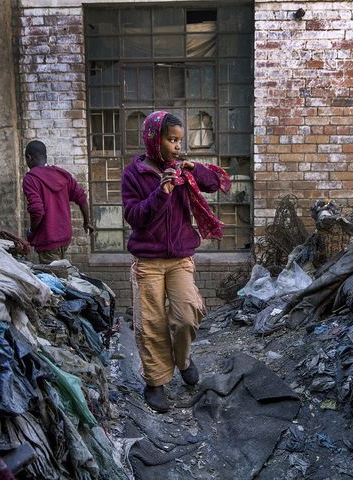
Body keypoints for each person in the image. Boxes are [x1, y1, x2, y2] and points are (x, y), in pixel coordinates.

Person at [121, 111, 230, 412]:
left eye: (180, 140)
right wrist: (161, 193)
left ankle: (182, 359)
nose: (177, 146)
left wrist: (194, 167)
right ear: (154, 139)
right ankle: (155, 381)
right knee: (151, 323)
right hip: (149, 261)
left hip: (181, 257)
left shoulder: (182, 169)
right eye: (171, 140)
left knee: (186, 316)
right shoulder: (134, 174)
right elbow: (134, 217)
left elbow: (213, 183)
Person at [23, 140, 94, 264]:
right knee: (60, 275)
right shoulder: (62, 174)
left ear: (29, 157)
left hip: (48, 239)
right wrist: (86, 222)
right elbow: (81, 198)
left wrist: (32, 231)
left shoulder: (31, 179)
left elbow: (37, 210)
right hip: (64, 237)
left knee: (52, 280)